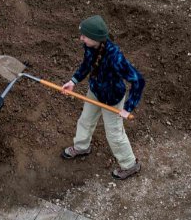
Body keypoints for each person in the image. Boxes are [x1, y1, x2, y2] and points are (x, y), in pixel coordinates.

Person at [61, 15, 145, 180]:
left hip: (112, 100)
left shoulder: (115, 57)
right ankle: (82, 147)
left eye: (84, 36)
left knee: (114, 134)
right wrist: (73, 81)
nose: (81, 38)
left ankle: (130, 165)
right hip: (95, 92)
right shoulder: (90, 47)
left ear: (95, 38)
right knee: (85, 120)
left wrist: (128, 108)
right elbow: (86, 65)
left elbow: (139, 81)